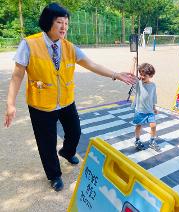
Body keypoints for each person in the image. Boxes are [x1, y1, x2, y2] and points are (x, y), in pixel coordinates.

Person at [3, 3, 136, 192]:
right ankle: (54, 175)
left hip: (66, 101)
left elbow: (91, 64)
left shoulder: (69, 47)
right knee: (46, 143)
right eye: (59, 22)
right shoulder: (29, 44)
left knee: (74, 132)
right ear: (49, 22)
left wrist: (116, 74)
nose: (64, 27)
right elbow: (17, 76)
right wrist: (10, 104)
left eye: (66, 23)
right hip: (41, 105)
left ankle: (67, 151)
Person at [130, 58, 160, 152]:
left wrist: (154, 107)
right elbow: (130, 75)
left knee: (153, 126)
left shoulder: (153, 85)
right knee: (138, 126)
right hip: (140, 110)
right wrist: (134, 63)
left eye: (145, 75)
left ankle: (152, 141)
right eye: (141, 74)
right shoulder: (138, 84)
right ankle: (137, 140)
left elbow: (153, 97)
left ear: (150, 75)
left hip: (149, 110)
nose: (142, 77)